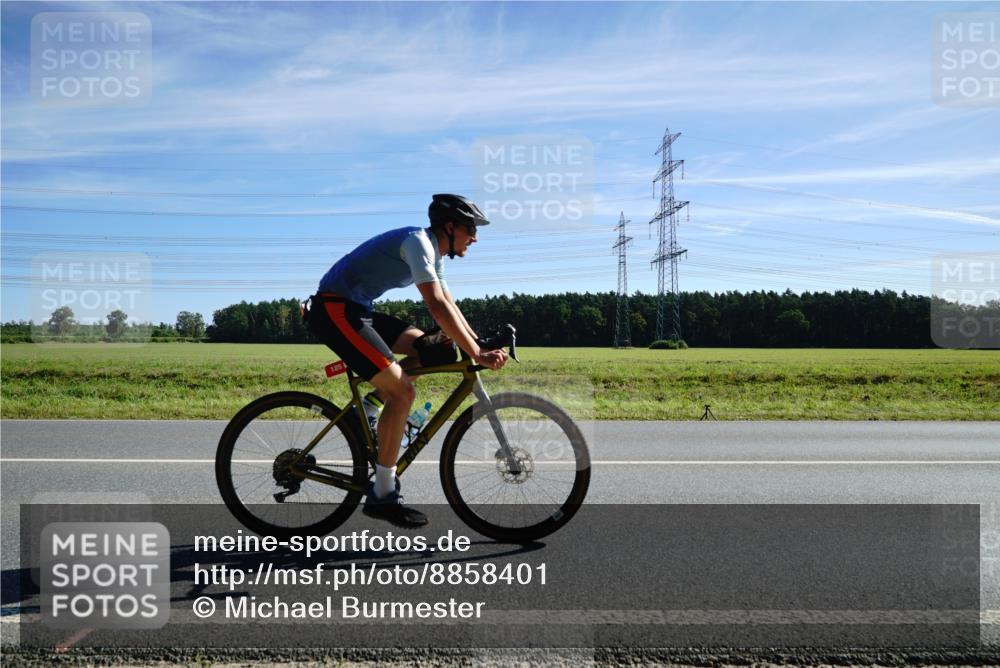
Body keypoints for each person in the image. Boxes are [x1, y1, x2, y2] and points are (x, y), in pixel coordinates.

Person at [306, 194, 508, 528]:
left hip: (358, 309)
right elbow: (435, 306)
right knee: (402, 392)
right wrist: (475, 353)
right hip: (334, 309)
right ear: (450, 226)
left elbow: (447, 302)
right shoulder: (418, 242)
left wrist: (476, 342)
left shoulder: (433, 250)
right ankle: (384, 493)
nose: (475, 236)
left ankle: (366, 411)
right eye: (471, 228)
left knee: (437, 349)